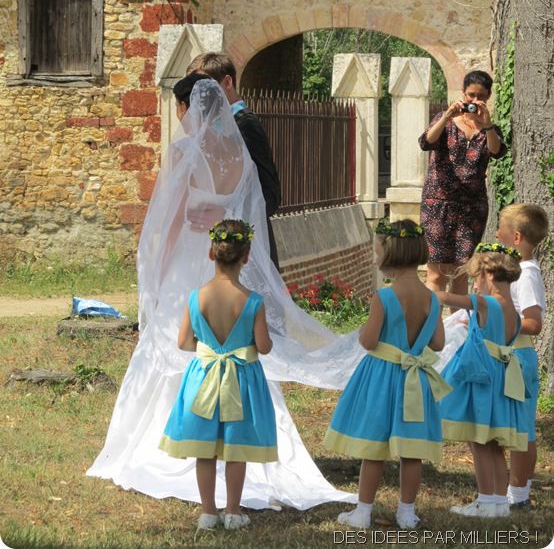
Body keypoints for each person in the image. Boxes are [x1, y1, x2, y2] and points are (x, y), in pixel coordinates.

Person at [88, 77, 363, 511]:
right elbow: (247, 211)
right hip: (227, 257)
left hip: (189, 262)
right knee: (234, 344)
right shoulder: (238, 154)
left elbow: (171, 219)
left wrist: (157, 275)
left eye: (179, 108)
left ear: (187, 107)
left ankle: (171, 437)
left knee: (176, 342)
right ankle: (240, 439)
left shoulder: (185, 152)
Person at [324, 219, 449, 530]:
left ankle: (363, 511)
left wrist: (365, 331)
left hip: (381, 377)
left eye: (376, 250)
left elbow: (369, 341)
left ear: (390, 254)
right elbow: (438, 342)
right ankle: (407, 512)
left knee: (373, 446)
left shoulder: (385, 296)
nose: (374, 256)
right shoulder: (431, 297)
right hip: (414, 380)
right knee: (412, 450)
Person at [159, 220, 278, 530]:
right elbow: (263, 347)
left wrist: (208, 345)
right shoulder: (253, 302)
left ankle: (208, 511)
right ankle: (234, 511)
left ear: (211, 254)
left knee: (205, 449)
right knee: (236, 449)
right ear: (246, 256)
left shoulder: (196, 297)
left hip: (205, 378)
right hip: (241, 381)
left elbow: (184, 341)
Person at [438, 243, 528, 518]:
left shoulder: (486, 303)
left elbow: (447, 299)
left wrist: (419, 291)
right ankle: (499, 503)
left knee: (479, 441)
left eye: (476, 278)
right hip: (501, 377)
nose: (474, 285)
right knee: (494, 445)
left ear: (488, 274)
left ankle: (486, 500)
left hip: (482, 379)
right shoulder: (512, 310)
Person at [184, 51, 281, 268]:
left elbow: (269, 194)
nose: (200, 96)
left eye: (206, 87)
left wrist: (225, 213)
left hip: (246, 252)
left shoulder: (245, 125)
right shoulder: (210, 130)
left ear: (227, 82)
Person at [419, 70, 507, 296]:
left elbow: (496, 151)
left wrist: (486, 125)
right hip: (438, 205)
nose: (474, 101)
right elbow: (427, 141)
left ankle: (457, 329)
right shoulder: (445, 121)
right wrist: (448, 115)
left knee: (460, 272)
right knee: (437, 273)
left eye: (481, 97)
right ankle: (432, 327)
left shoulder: (489, 130)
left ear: (488, 97)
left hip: (472, 208)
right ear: (462, 93)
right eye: (470, 95)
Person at [495, 204, 549, 509]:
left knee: (523, 430)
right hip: (508, 357)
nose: (495, 234)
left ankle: (519, 495)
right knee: (515, 427)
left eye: (500, 230)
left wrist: (501, 326)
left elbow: (533, 322)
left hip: (519, 358)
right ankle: (511, 491)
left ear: (515, 237)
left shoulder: (526, 274)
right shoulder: (516, 272)